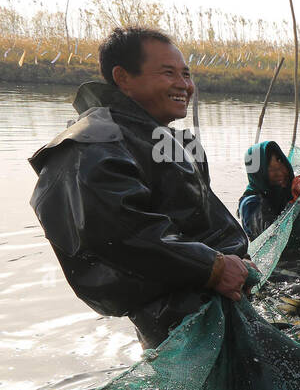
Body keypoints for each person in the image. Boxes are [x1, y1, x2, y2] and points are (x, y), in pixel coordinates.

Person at [28, 27, 252, 349]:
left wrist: (232, 259)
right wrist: (213, 267)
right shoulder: (94, 143)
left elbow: (195, 222)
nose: (184, 85)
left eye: (186, 75)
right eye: (168, 73)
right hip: (173, 326)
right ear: (123, 78)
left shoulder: (170, 141)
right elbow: (124, 233)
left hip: (210, 302)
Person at [239, 141, 300, 239]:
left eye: (280, 162)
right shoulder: (251, 204)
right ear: (258, 173)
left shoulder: (283, 193)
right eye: (269, 168)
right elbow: (270, 238)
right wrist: (294, 203)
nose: (279, 173)